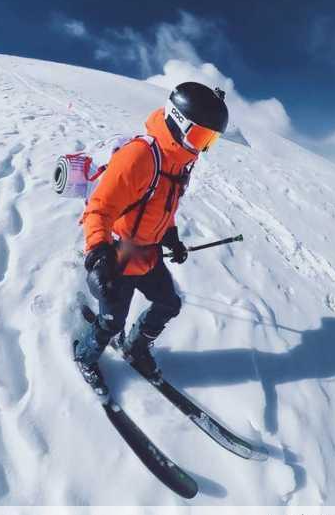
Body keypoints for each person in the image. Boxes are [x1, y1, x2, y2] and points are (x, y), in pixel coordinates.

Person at [74, 82, 229, 394]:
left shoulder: (181, 160)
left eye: (210, 140)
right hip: (119, 252)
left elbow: (162, 206)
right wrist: (98, 253)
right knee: (111, 322)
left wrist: (171, 237)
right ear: (177, 120)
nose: (201, 147)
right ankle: (85, 357)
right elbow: (98, 210)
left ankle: (136, 347)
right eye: (200, 136)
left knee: (168, 303)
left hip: (148, 252)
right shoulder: (138, 157)